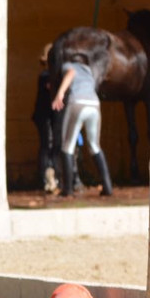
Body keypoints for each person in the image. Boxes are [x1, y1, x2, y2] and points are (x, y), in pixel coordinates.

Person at [52, 53, 112, 197]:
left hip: (77, 103)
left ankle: (67, 190)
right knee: (94, 145)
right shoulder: (88, 70)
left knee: (67, 146)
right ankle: (108, 187)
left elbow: (71, 73)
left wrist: (60, 93)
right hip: (94, 104)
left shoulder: (69, 66)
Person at [32, 43, 58, 193]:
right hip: (44, 116)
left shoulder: (49, 76)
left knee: (51, 145)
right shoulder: (45, 76)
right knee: (46, 145)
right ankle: (46, 177)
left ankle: (52, 176)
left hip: (50, 116)